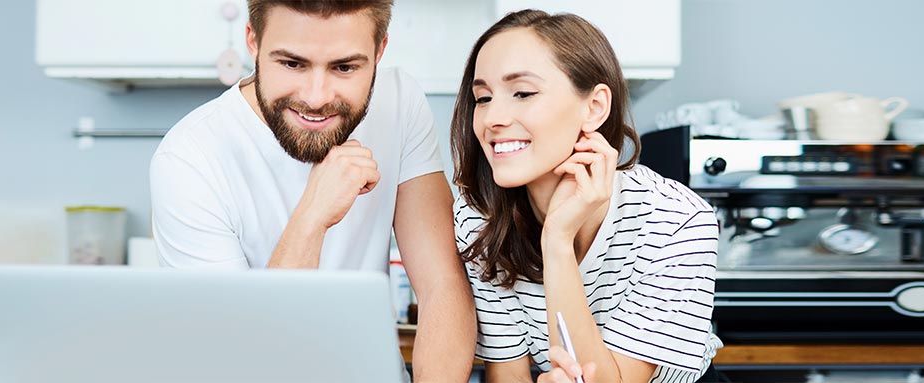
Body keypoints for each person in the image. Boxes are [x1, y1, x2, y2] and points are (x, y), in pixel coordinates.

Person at [149, 1, 475, 381]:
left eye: (345, 67)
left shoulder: (399, 101)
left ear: (380, 50)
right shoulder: (189, 157)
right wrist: (312, 216)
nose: (317, 97)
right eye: (292, 63)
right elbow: (241, 361)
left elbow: (442, 285)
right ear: (252, 41)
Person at [451, 10, 723, 383]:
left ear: (594, 107)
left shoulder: (677, 220)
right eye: (482, 98)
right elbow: (509, 375)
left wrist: (558, 241)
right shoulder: (478, 217)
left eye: (523, 93)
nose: (491, 118)